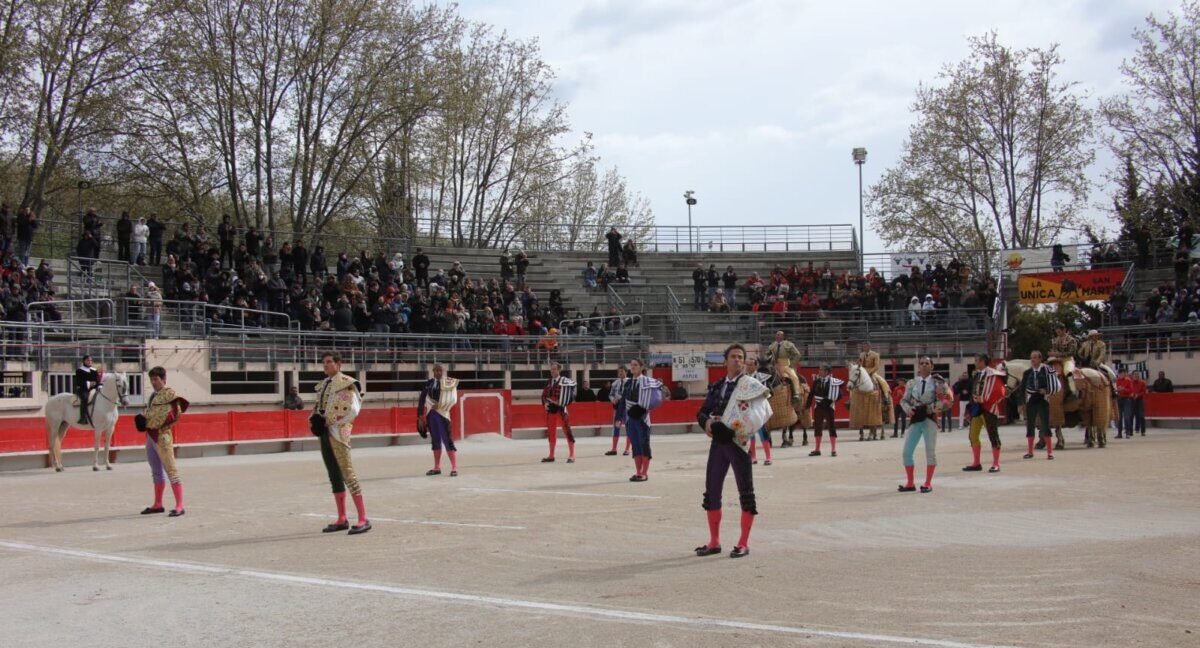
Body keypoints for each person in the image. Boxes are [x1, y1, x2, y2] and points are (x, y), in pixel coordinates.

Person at [694, 343, 770, 559]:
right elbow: (702, 412)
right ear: (725, 360)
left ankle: (743, 542)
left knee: (746, 492)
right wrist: (707, 424)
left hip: (739, 443)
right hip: (718, 442)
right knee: (712, 491)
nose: (737, 360)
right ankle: (714, 541)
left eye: (740, 357)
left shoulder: (751, 386)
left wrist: (735, 429)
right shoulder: (717, 386)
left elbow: (760, 415)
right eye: (733, 356)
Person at [310, 351, 370, 535]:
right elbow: (317, 407)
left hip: (338, 433)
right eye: (324, 363)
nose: (326, 365)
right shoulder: (322, 385)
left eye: (329, 362)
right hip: (325, 434)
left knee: (347, 473)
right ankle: (342, 518)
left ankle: (363, 518)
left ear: (338, 364)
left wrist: (327, 420)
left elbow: (352, 409)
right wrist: (313, 420)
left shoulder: (347, 383)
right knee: (334, 474)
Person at [135, 366, 190, 516]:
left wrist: (162, 424)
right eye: (152, 379)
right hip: (150, 436)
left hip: (162, 436)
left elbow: (177, 414)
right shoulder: (153, 396)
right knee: (156, 471)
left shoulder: (170, 394)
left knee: (171, 470)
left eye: (156, 379)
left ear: (164, 379)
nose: (154, 382)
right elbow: (151, 413)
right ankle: (158, 504)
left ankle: (180, 505)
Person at [898, 357, 952, 493]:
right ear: (918, 366)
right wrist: (908, 409)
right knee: (906, 452)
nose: (924, 365)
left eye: (927, 363)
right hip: (915, 419)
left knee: (930, 452)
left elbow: (948, 400)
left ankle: (928, 483)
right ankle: (910, 483)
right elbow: (904, 401)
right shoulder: (911, 383)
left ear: (932, 366)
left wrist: (932, 408)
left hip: (929, 419)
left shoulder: (938, 383)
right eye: (921, 363)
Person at [963, 354, 1005, 473]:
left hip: (989, 409)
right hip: (977, 409)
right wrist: (969, 410)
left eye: (976, 360)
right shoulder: (977, 374)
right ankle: (976, 463)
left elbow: (1000, 391)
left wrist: (985, 400)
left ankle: (996, 463)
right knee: (973, 435)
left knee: (993, 435)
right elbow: (973, 392)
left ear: (982, 362)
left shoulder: (993, 374)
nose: (975, 362)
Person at [622, 358, 662, 482]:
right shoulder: (627, 383)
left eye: (635, 365)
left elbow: (657, 399)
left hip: (642, 417)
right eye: (631, 365)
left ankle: (644, 473)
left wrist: (644, 408)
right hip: (630, 418)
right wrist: (620, 418)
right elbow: (623, 401)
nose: (632, 367)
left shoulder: (648, 382)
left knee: (644, 444)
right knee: (635, 445)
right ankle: (638, 471)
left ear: (641, 367)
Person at [417, 363, 459, 476]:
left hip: (443, 414)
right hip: (431, 414)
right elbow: (422, 399)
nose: (438, 372)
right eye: (436, 370)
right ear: (433, 372)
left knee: (447, 440)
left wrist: (439, 405)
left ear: (443, 371)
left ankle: (454, 467)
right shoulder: (429, 383)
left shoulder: (449, 383)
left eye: (440, 370)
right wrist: (420, 415)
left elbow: (453, 399)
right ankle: (437, 467)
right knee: (435, 440)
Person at [1021, 351, 1060, 460]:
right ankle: (1030, 452)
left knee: (1045, 425)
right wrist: (1021, 403)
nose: (1032, 360)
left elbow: (1053, 384)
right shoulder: (1027, 372)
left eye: (1034, 358)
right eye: (1031, 358)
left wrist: (1047, 390)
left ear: (1039, 359)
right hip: (1031, 401)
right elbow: (1022, 388)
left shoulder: (1047, 370)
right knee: (1030, 425)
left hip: (1043, 400)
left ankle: (1050, 452)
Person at [540, 362, 576, 463]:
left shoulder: (564, 381)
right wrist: (545, 403)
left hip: (561, 408)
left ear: (559, 370)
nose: (552, 371)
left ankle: (572, 455)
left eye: (554, 369)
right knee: (551, 432)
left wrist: (563, 402)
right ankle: (551, 455)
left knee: (567, 430)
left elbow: (571, 396)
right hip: (551, 409)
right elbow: (543, 395)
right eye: (551, 369)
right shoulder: (549, 381)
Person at [806, 363, 844, 457]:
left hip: (829, 407)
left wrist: (830, 400)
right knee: (817, 427)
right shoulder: (817, 381)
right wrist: (807, 405)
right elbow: (811, 394)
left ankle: (833, 449)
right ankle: (817, 449)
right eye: (819, 369)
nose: (819, 371)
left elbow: (839, 395)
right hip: (818, 407)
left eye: (821, 370)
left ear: (826, 372)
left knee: (831, 427)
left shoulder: (833, 381)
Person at [606, 367, 632, 456]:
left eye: (621, 372)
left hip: (627, 409)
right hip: (618, 409)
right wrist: (613, 400)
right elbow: (611, 395)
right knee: (616, 427)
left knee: (629, 428)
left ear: (626, 372)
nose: (620, 373)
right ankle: (614, 449)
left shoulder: (631, 382)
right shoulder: (615, 383)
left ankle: (627, 449)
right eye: (619, 372)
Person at [74, 355, 101, 425]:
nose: (90, 362)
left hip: (93, 389)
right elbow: (79, 382)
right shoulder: (79, 370)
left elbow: (97, 381)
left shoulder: (94, 370)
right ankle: (82, 418)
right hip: (83, 389)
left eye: (91, 360)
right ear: (84, 361)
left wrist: (99, 385)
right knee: (85, 398)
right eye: (88, 360)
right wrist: (89, 383)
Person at [1115, 368, 1134, 439]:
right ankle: (1119, 433)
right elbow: (1116, 389)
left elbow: (1131, 390)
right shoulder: (1117, 380)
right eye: (1122, 373)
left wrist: (1123, 389)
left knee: (1126, 416)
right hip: (1119, 399)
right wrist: (1117, 390)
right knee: (1119, 417)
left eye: (1124, 373)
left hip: (1127, 399)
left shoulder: (1128, 380)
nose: (1123, 375)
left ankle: (1127, 432)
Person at [1130, 370, 1148, 437]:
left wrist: (1138, 395)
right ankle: (1130, 431)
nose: (1136, 375)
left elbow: (1144, 391)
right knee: (1131, 416)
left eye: (1137, 374)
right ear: (1132, 375)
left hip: (1140, 400)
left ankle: (1143, 431)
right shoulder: (1130, 382)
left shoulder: (1142, 382)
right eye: (1135, 374)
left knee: (1141, 415)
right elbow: (1129, 390)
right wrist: (1131, 394)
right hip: (1132, 399)